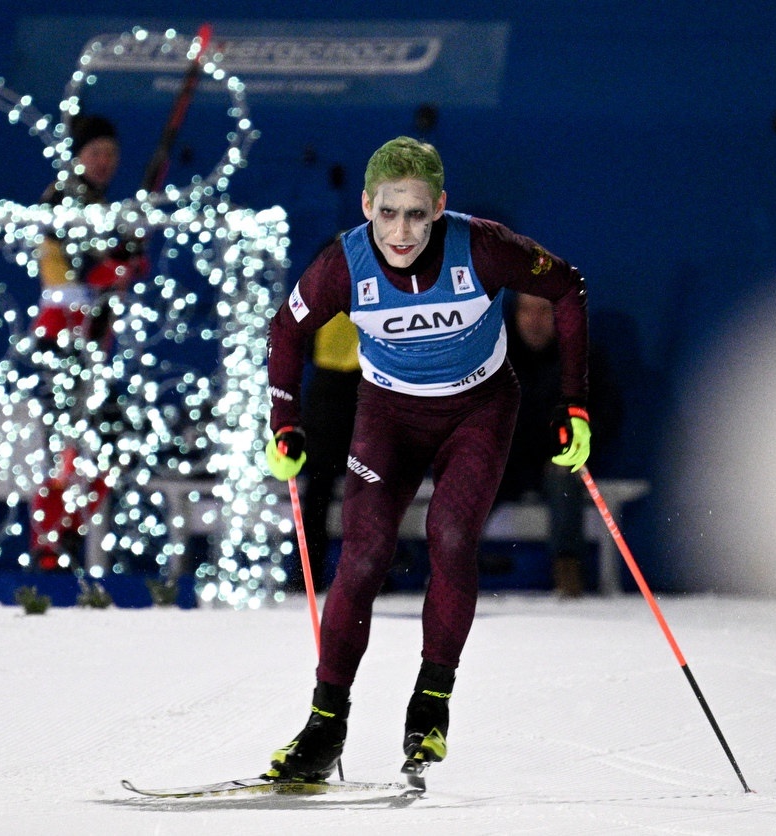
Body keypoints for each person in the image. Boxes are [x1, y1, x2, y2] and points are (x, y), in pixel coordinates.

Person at [260, 136, 591, 783]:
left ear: (440, 206)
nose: (402, 231)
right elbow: (287, 330)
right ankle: (325, 727)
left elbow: (568, 288)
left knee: (450, 535)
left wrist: (574, 404)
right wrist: (284, 423)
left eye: (416, 213)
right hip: (387, 415)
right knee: (361, 554)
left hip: (478, 410)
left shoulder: (484, 247)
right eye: (387, 213)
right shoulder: (343, 264)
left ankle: (431, 703)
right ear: (365, 207)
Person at [28, 114, 144, 571]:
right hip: (65, 337)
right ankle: (51, 545)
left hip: (88, 339)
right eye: (95, 152)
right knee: (70, 446)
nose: (104, 162)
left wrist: (125, 262)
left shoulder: (93, 201)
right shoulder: (65, 198)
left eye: (111, 154)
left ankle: (65, 535)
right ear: (78, 156)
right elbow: (78, 265)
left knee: (104, 442)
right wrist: (116, 265)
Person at [496, 292, 623, 597]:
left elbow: (608, 413)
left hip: (560, 458)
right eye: (526, 311)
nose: (534, 321)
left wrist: (581, 439)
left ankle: (568, 572)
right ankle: (450, 571)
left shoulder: (583, 357)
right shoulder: (495, 355)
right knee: (474, 473)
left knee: (563, 471)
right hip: (509, 461)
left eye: (543, 311)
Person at [291, 311, 362, 592]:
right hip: (332, 388)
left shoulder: (322, 275)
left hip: (355, 384)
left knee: (363, 489)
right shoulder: (325, 275)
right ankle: (308, 575)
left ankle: (364, 575)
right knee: (324, 490)